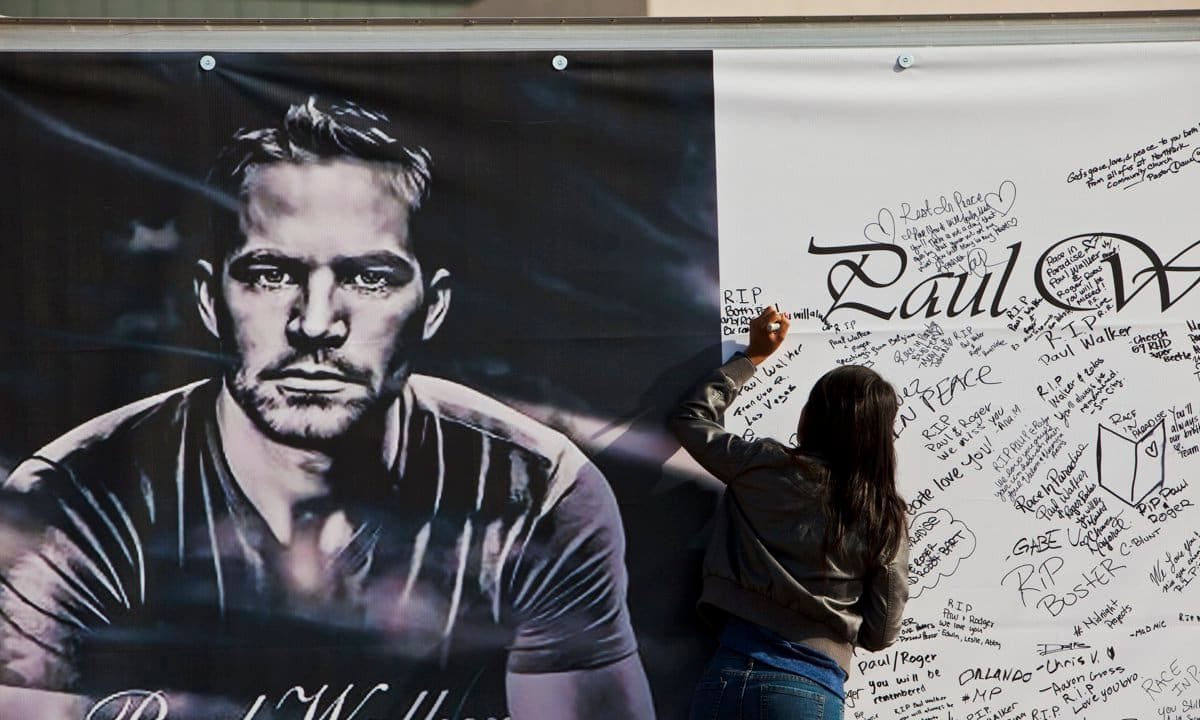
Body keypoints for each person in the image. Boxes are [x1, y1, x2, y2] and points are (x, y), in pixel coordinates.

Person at [0, 97, 654, 720]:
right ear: (208, 302)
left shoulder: (536, 493)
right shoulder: (72, 497)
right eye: (270, 273)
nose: (314, 324)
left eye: (370, 276)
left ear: (434, 307)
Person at [669, 306, 909, 720]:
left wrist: (752, 357)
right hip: (808, 689)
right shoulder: (883, 516)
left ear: (811, 418)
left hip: (726, 674)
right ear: (880, 437)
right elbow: (881, 631)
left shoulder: (764, 466)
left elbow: (691, 419)